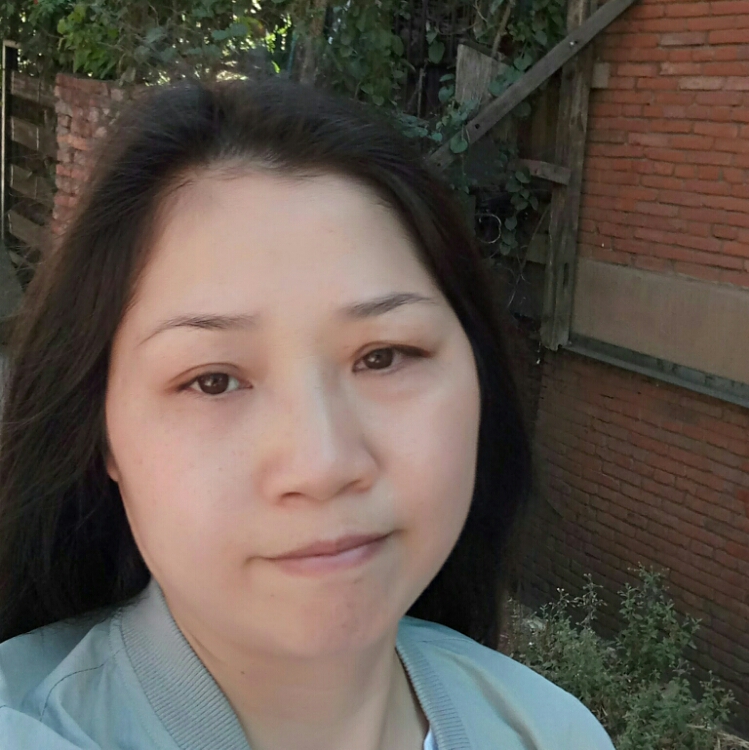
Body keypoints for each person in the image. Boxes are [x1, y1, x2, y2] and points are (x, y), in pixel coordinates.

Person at [0, 78, 614, 750]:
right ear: (102, 433)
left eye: (383, 357)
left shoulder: (549, 730)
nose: (323, 465)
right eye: (212, 380)